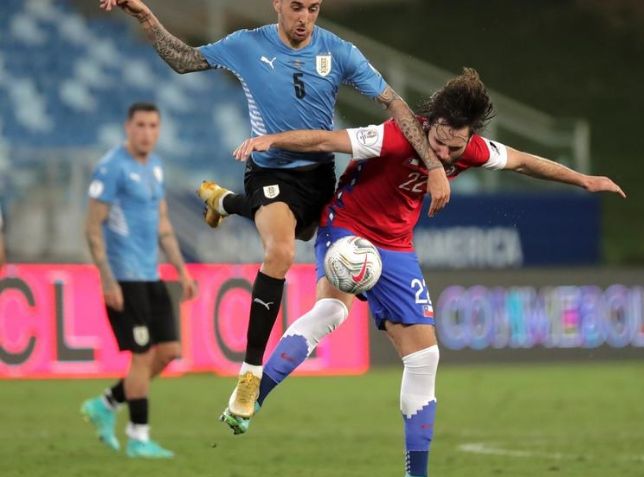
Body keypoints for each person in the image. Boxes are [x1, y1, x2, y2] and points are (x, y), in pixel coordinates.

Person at [214, 68, 625, 476]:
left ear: (469, 136)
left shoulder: (472, 148)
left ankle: (417, 474)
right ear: (430, 124)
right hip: (347, 227)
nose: (445, 155)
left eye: (455, 148)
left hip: (396, 246)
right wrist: (271, 140)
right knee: (333, 312)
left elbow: (520, 162)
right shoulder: (394, 136)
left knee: (425, 357)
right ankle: (252, 394)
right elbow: (327, 140)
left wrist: (583, 179)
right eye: (439, 143)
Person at [100, 0, 451, 421]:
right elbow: (186, 61)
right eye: (297, 7)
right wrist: (145, 17)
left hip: (320, 175)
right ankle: (250, 375)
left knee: (302, 234)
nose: (305, 18)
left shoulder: (338, 51)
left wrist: (434, 165)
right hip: (269, 170)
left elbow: (394, 103)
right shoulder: (247, 45)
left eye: (314, 8)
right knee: (281, 251)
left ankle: (223, 201)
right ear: (278, 5)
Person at [80, 102, 197, 458]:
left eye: (153, 126)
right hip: (124, 278)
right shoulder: (112, 167)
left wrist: (181, 268)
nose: (147, 132)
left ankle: (106, 403)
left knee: (169, 352)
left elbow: (163, 225)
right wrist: (107, 279)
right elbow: (92, 227)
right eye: (141, 125)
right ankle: (138, 438)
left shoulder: (156, 168)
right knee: (142, 357)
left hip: (151, 274)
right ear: (127, 127)